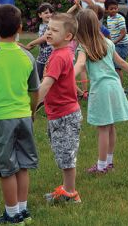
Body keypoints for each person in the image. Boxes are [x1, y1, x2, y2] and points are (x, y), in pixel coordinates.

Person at [0, 4, 39, 224]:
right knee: (22, 165)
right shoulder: (28, 57)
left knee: (6, 169)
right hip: (24, 116)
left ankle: (12, 214)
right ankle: (23, 211)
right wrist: (32, 113)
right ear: (20, 27)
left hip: (0, 120)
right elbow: (35, 91)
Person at [74, 9, 128, 173]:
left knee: (103, 129)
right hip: (115, 87)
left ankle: (102, 165)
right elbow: (122, 64)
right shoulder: (108, 43)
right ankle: (109, 162)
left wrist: (67, 76)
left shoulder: (83, 47)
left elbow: (81, 64)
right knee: (110, 127)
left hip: (102, 90)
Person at [36, 13, 82, 203]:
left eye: (54, 30)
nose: (48, 33)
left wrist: (31, 106)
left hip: (65, 115)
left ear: (68, 37)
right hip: (60, 113)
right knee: (63, 153)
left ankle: (71, 194)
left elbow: (46, 85)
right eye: (48, 28)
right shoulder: (60, 52)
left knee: (66, 156)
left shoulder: (58, 56)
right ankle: (66, 188)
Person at [26, 3, 55, 80]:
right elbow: (41, 40)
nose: (49, 14)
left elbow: (45, 37)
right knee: (37, 78)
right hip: (42, 56)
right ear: (40, 15)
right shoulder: (41, 25)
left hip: (50, 57)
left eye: (50, 12)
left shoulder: (51, 25)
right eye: (46, 13)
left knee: (48, 78)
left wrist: (31, 43)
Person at [105, 0, 128, 84]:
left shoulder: (120, 18)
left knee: (117, 66)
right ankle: (115, 84)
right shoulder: (108, 18)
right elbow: (110, 32)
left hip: (122, 45)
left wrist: (113, 42)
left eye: (116, 8)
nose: (114, 10)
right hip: (114, 44)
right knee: (113, 65)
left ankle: (120, 88)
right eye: (111, 9)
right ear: (106, 10)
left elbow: (123, 34)